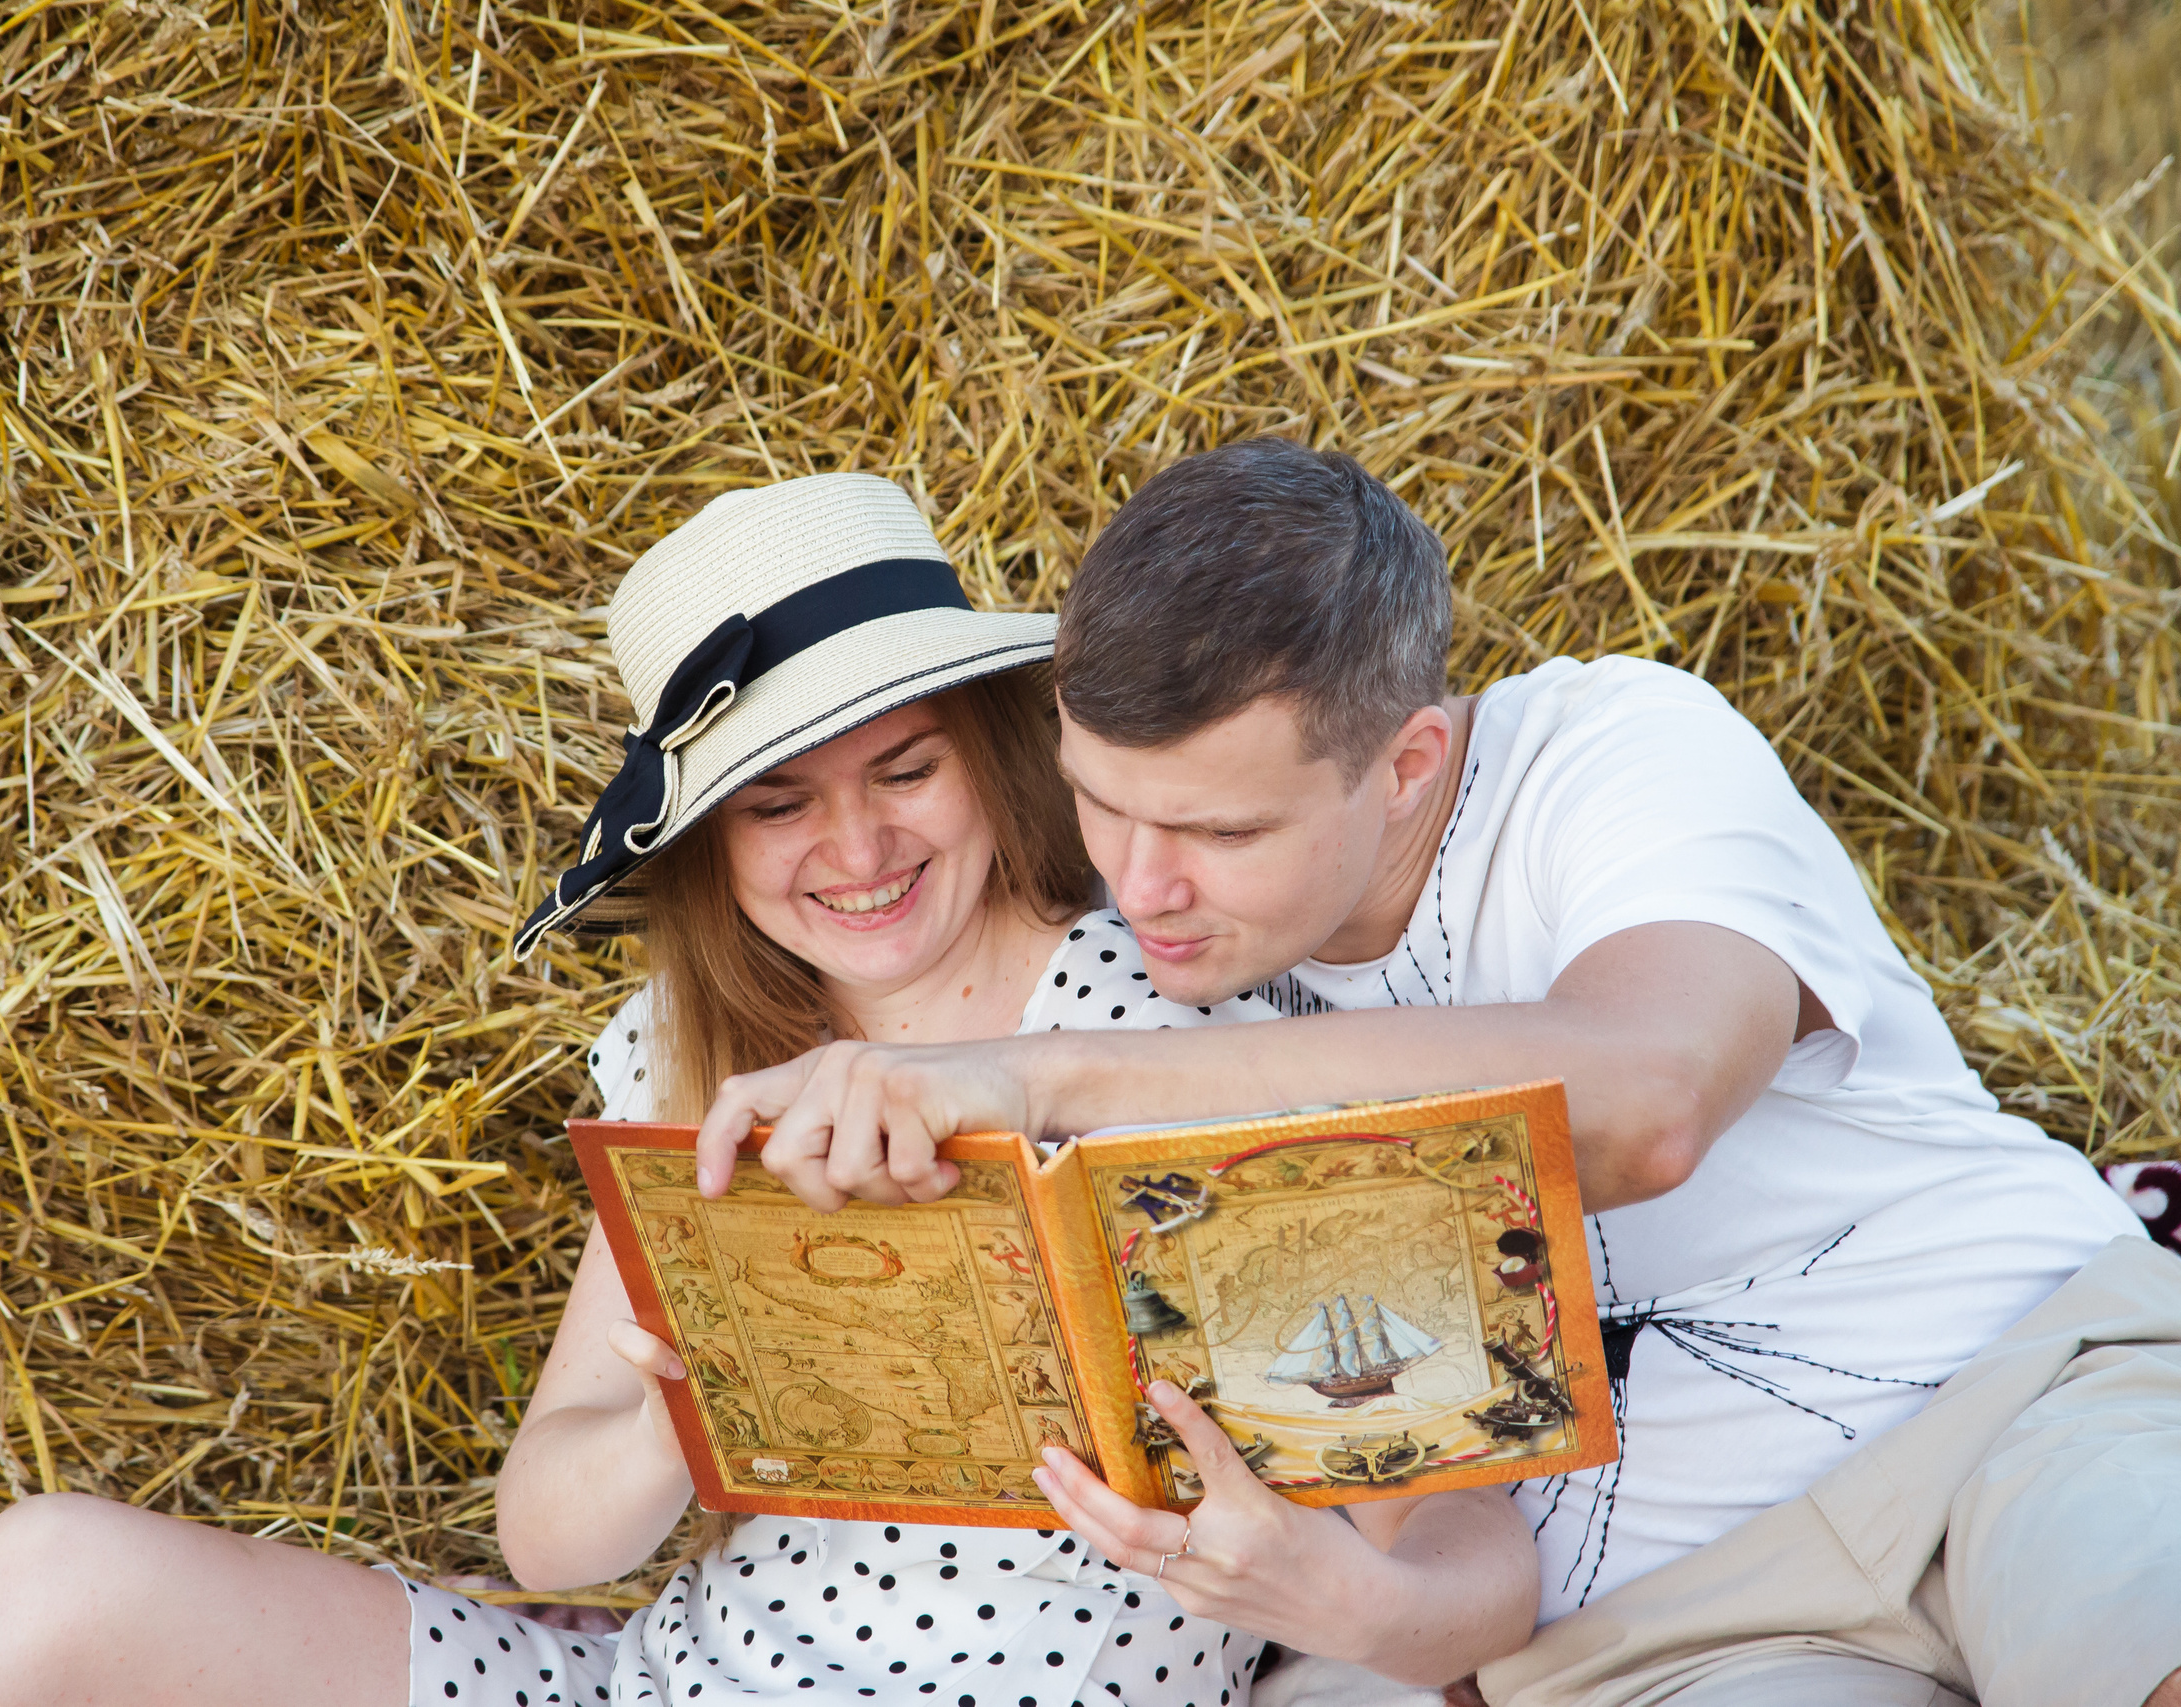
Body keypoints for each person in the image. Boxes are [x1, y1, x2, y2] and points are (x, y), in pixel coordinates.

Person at [0, 473, 1537, 1707]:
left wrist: (1327, 1591)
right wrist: (691, 1391)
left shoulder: (1196, 1006)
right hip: (670, 1688)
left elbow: (1479, 1557)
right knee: (55, 1568)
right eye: (778, 802)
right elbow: (550, 1532)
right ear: (712, 839)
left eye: (904, 770)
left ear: (991, 753)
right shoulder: (706, 1049)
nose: (855, 849)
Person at [692, 442, 2181, 1706]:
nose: (1142, 888)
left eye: (1220, 834)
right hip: (1679, 1626)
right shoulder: (1151, 980)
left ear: (1407, 764)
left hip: (2024, 1389)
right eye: (1099, 804)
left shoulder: (1616, 754)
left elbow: (1649, 1101)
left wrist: (1048, 1081)